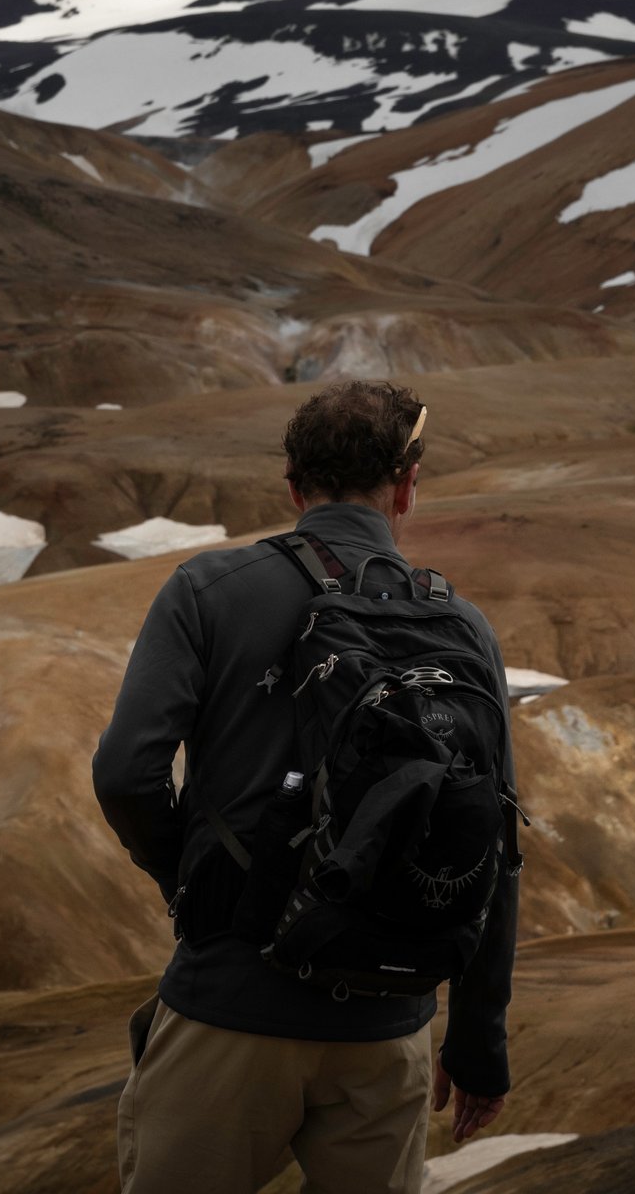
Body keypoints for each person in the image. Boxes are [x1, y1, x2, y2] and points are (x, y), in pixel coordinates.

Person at [93, 379, 519, 1194]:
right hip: (387, 1030)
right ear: (405, 487)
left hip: (231, 1008)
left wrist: (189, 877)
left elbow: (125, 772)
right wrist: (477, 1046)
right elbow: (493, 839)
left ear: (293, 485)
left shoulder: (209, 591)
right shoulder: (463, 628)